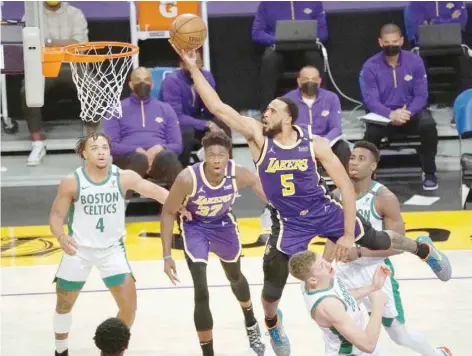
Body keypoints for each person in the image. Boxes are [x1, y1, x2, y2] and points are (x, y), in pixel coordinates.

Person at [170, 44, 452, 356]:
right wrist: (194, 68)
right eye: (265, 111)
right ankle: (273, 324)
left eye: (272, 111)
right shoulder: (257, 137)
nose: (265, 114)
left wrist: (346, 234)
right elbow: (219, 108)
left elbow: (344, 186)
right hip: (289, 221)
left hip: (321, 209)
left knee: (373, 238)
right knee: (271, 289)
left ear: (289, 118)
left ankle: (423, 248)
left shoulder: (314, 143)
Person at [49, 133, 186, 356]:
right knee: (64, 305)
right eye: (95, 148)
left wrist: (180, 204)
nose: (101, 151)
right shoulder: (71, 182)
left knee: (129, 308)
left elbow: (155, 191)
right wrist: (61, 237)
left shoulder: (124, 177)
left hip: (112, 250)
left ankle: (111, 352)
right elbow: (56, 216)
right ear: (84, 154)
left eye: (105, 147)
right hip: (78, 250)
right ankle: (60, 350)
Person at [327, 141, 452, 356]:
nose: (354, 163)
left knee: (399, 336)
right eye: (352, 158)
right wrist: (325, 264)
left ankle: (438, 354)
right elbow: (332, 235)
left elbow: (398, 245)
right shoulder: (338, 194)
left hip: (375, 271)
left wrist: (360, 252)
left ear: (373, 167)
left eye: (361, 159)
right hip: (344, 272)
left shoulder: (384, 198)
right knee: (347, 331)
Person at [160, 131, 267, 356]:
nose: (217, 159)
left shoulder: (240, 174)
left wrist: (291, 213)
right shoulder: (187, 179)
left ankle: (251, 321)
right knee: (201, 289)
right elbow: (168, 213)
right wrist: (167, 255)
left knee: (235, 277)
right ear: (204, 156)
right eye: (211, 155)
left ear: (228, 155)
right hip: (195, 227)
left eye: (221, 154)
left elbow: (268, 194)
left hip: (223, 225)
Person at [359, 24, 439, 191]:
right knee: (370, 135)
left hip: (410, 113)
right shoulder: (370, 66)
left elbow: (421, 95)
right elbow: (370, 100)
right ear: (380, 42)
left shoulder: (415, 61)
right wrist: (390, 114)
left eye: (395, 41)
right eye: (387, 42)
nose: (391, 46)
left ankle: (430, 172)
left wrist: (407, 112)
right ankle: (368, 177)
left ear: (402, 41)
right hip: (383, 116)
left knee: (429, 125)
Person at [21, 1, 92, 166]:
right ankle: (37, 143)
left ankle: (91, 138)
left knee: (92, 86)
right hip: (43, 64)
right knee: (27, 91)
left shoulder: (75, 13)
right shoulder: (31, 16)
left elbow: (80, 45)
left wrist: (49, 42)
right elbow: (31, 46)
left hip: (73, 64)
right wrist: (65, 43)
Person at [289, 250, 391, 355]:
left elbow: (343, 297)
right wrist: (378, 304)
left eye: (323, 260)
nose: (328, 264)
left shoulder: (321, 280)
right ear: (313, 280)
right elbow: (368, 346)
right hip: (350, 352)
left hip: (356, 345)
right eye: (321, 265)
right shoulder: (327, 305)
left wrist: (373, 287)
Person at [104, 67, 183, 187]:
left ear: (152, 84)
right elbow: (111, 146)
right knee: (139, 159)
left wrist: (159, 149)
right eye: (138, 80)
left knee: (169, 157)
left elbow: (177, 146)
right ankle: (124, 204)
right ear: (130, 85)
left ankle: (183, 203)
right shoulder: (116, 109)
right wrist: (136, 150)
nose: (142, 83)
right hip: (128, 160)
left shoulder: (166, 109)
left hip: (159, 159)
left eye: (146, 80)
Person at [252, 1, 327, 110]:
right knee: (269, 58)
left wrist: (308, 38)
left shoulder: (314, 2)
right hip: (279, 51)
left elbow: (323, 32)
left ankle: (322, 107)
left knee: (315, 58)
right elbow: (257, 33)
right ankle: (266, 110)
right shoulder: (267, 3)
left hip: (305, 49)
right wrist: (277, 39)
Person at [159, 50, 230, 166]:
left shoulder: (206, 76)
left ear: (202, 63)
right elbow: (177, 117)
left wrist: (203, 94)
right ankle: (180, 172)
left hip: (195, 118)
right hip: (172, 124)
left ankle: (225, 168)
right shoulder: (171, 82)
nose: (194, 66)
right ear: (182, 64)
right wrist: (207, 124)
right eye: (190, 62)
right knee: (187, 132)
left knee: (223, 124)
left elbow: (210, 112)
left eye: (198, 62)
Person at [283, 65, 351, 171]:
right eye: (306, 79)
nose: (310, 82)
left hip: (325, 142)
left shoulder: (331, 98)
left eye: (314, 79)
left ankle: (347, 184)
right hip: (299, 142)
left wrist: (324, 142)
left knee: (343, 149)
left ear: (319, 81)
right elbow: (285, 128)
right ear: (299, 81)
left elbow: (336, 128)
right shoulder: (287, 100)